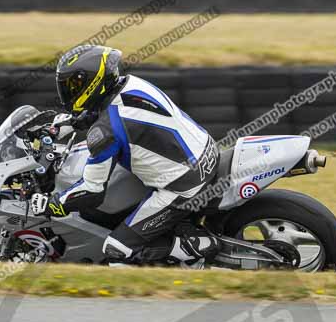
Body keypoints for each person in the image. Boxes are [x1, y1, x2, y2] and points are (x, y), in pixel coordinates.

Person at [29, 45, 220, 267]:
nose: (69, 91)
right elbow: (114, 115)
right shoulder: (130, 84)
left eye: (74, 85)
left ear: (93, 82)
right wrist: (70, 124)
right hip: (205, 152)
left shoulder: (104, 133)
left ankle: (199, 244)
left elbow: (92, 191)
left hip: (183, 186)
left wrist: (53, 204)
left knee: (117, 250)